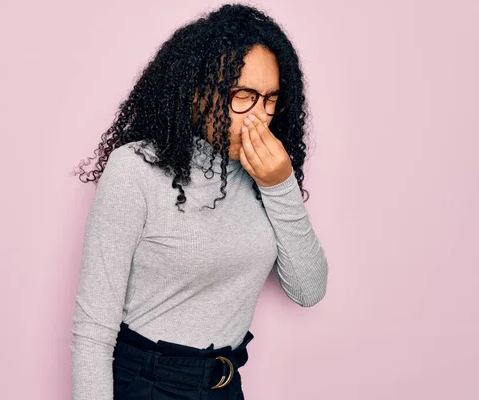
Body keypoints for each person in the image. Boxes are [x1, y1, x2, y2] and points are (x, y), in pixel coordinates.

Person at [70, 3, 329, 399]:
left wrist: (280, 185)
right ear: (195, 89)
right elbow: (93, 330)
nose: (259, 117)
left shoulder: (265, 172)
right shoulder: (134, 170)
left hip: (225, 383)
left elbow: (308, 290)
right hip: (148, 382)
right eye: (243, 95)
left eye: (270, 99)